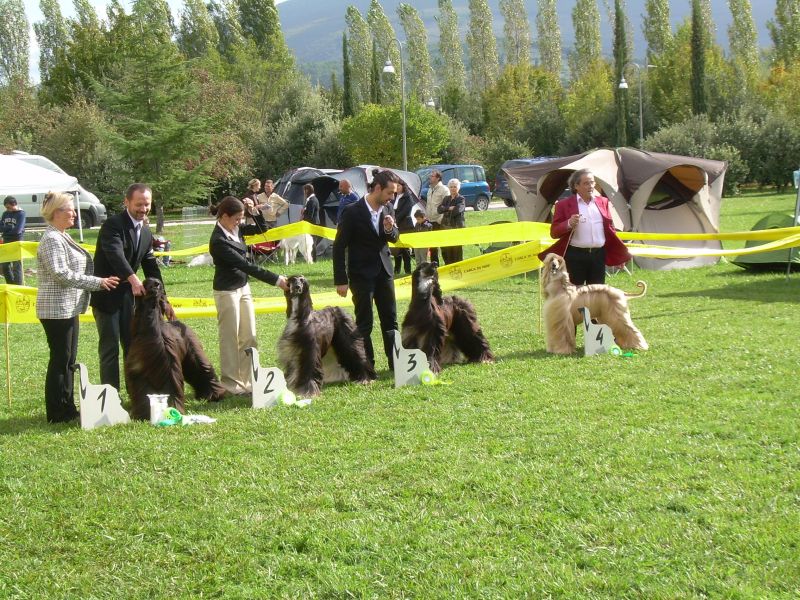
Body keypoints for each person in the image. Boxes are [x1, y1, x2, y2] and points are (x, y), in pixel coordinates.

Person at [36, 192, 119, 423]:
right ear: (56, 213)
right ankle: (56, 411)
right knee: (60, 359)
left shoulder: (61, 236)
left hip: (67, 308)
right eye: (69, 209)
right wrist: (98, 282)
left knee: (68, 359)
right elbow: (62, 274)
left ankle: (67, 407)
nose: (74, 213)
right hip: (56, 310)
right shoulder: (52, 239)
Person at [91, 183, 173, 391]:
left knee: (132, 347)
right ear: (126, 202)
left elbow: (151, 266)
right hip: (107, 297)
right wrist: (133, 279)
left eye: (147, 205)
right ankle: (111, 396)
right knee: (110, 350)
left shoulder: (145, 232)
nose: (143, 209)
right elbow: (115, 255)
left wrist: (165, 299)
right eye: (139, 204)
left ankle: (135, 393)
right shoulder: (112, 225)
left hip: (129, 299)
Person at [209, 196, 288, 395]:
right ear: (225, 216)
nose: (240, 222)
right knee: (230, 338)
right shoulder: (218, 240)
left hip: (243, 288)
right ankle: (230, 383)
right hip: (227, 291)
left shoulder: (237, 229)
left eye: (241, 218)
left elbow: (263, 230)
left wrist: (255, 212)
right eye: (237, 218)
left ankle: (249, 379)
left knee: (249, 335)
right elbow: (246, 265)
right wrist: (277, 280)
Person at [332, 169, 400, 369]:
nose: (392, 197)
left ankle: (396, 363)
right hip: (361, 275)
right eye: (390, 193)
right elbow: (339, 246)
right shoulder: (352, 211)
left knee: (391, 322)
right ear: (377, 188)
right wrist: (341, 279)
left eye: (394, 194)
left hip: (385, 273)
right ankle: (365, 367)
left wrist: (390, 229)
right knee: (364, 324)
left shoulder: (388, 209)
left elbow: (394, 237)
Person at [538, 168, 630, 285]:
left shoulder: (603, 202)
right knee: (575, 294)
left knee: (596, 294)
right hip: (575, 255)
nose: (591, 186)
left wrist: (619, 254)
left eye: (592, 182)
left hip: (598, 255)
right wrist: (568, 223)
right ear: (576, 186)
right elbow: (554, 232)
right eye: (586, 183)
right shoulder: (563, 205)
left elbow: (610, 230)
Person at [438, 178, 466, 264]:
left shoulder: (461, 199)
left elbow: (457, 210)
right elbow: (439, 209)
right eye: (451, 187)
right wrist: (449, 208)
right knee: (447, 249)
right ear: (449, 188)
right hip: (445, 228)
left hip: (456, 228)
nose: (453, 188)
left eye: (455, 187)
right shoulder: (446, 198)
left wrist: (445, 209)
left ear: (458, 188)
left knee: (456, 250)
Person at [1, 196, 25, 285]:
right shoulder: (5, 214)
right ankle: (11, 285)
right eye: (6, 208)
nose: (7, 209)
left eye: (8, 207)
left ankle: (18, 286)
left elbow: (18, 230)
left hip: (17, 241)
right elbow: (0, 227)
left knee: (16, 266)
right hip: (6, 241)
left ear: (14, 204)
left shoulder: (21, 214)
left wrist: (6, 230)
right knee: (4, 265)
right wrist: (10, 227)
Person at [425, 170, 448, 265]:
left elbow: (446, 206)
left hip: (439, 221)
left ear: (438, 178)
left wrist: (440, 220)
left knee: (443, 245)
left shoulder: (444, 190)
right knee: (433, 246)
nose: (430, 177)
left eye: (432, 176)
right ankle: (434, 266)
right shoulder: (430, 189)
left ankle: (448, 264)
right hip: (430, 221)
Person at [392, 181, 415, 275]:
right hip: (396, 225)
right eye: (396, 186)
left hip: (405, 226)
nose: (397, 187)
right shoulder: (394, 196)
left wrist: (395, 219)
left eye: (398, 186)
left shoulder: (408, 197)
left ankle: (407, 270)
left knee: (405, 249)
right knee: (396, 248)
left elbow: (406, 211)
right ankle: (396, 269)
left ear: (403, 186)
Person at [301, 183, 321, 260]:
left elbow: (310, 215)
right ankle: (310, 257)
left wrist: (304, 215)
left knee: (312, 242)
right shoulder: (311, 199)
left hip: (312, 224)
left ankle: (313, 258)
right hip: (312, 223)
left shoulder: (312, 200)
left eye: (304, 190)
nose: (304, 193)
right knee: (311, 242)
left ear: (307, 190)